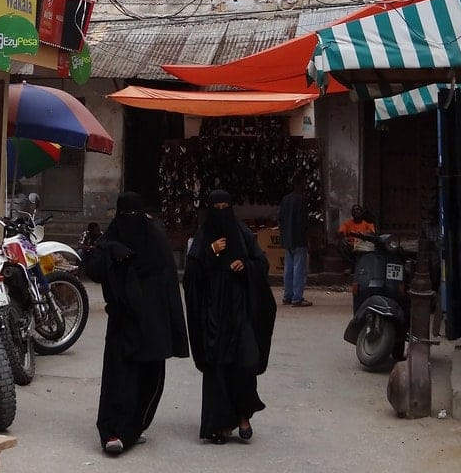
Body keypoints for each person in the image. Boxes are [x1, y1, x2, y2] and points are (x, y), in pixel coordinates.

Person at [85, 192, 189, 454]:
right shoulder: (113, 238)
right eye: (125, 216)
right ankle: (112, 433)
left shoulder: (155, 241)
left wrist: (170, 329)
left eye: (133, 216)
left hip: (151, 324)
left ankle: (134, 428)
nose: (129, 221)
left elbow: (168, 287)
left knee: (148, 378)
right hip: (122, 322)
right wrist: (108, 251)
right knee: (117, 379)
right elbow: (94, 270)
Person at [183, 189, 276, 445]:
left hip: (240, 311)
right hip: (214, 315)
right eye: (217, 207)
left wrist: (246, 266)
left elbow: (262, 263)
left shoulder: (243, 233)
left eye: (226, 206)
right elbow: (191, 275)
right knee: (218, 369)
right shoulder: (204, 236)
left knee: (246, 362)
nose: (221, 212)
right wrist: (210, 252)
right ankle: (220, 426)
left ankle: (244, 417)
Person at [278, 171, 311, 307]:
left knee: (288, 268)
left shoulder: (285, 199)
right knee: (299, 269)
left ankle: (287, 296)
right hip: (298, 238)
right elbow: (302, 221)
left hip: (287, 238)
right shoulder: (302, 200)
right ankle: (297, 298)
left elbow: (280, 218)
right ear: (301, 183)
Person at [336, 204, 376, 270]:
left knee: (371, 246)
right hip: (351, 246)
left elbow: (372, 234)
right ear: (352, 213)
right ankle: (351, 265)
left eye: (358, 209)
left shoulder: (368, 223)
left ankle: (355, 266)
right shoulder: (347, 223)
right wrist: (343, 237)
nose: (356, 211)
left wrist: (363, 235)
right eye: (354, 210)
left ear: (361, 212)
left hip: (364, 245)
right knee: (341, 244)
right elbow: (341, 232)